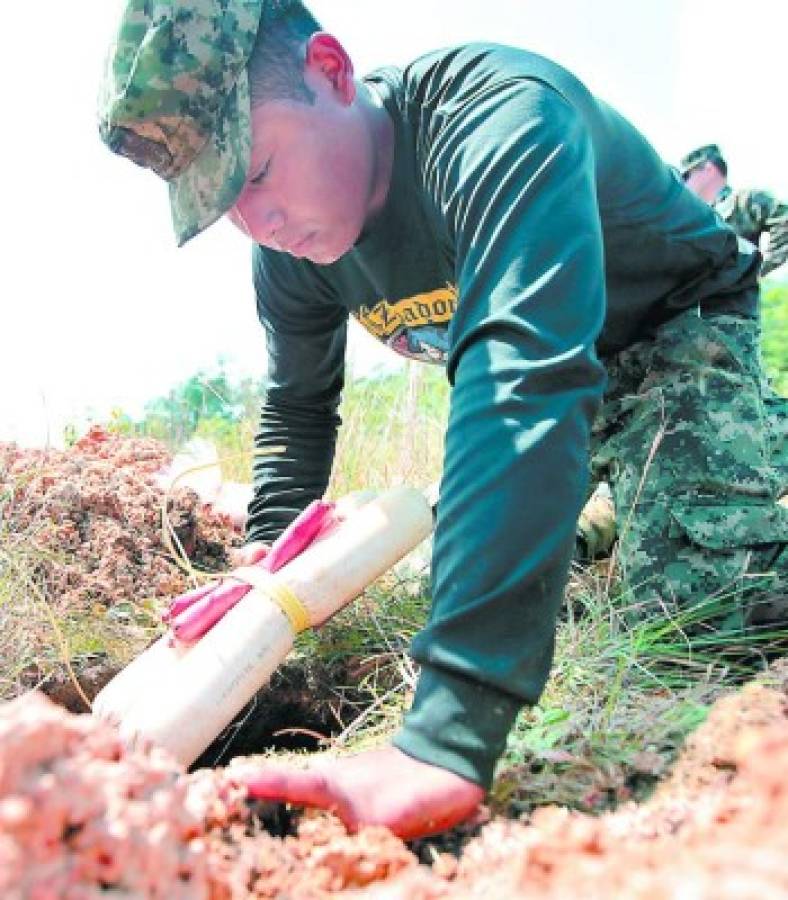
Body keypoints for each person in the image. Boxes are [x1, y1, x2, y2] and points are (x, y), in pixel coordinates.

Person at [99, 0, 788, 839]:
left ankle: (730, 447)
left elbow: (521, 381)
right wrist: (269, 550)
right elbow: (298, 404)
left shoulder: (498, 119)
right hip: (560, 384)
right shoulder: (292, 255)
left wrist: (446, 737)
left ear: (332, 69)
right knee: (510, 548)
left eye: (256, 173)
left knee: (705, 611)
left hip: (670, 329)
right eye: (221, 205)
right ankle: (612, 505)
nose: (258, 224)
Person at [680, 144, 788, 277]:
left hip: (734, 294)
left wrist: (759, 272)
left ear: (708, 169)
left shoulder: (744, 201)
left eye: (687, 176)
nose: (685, 184)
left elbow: (784, 221)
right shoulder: (696, 217)